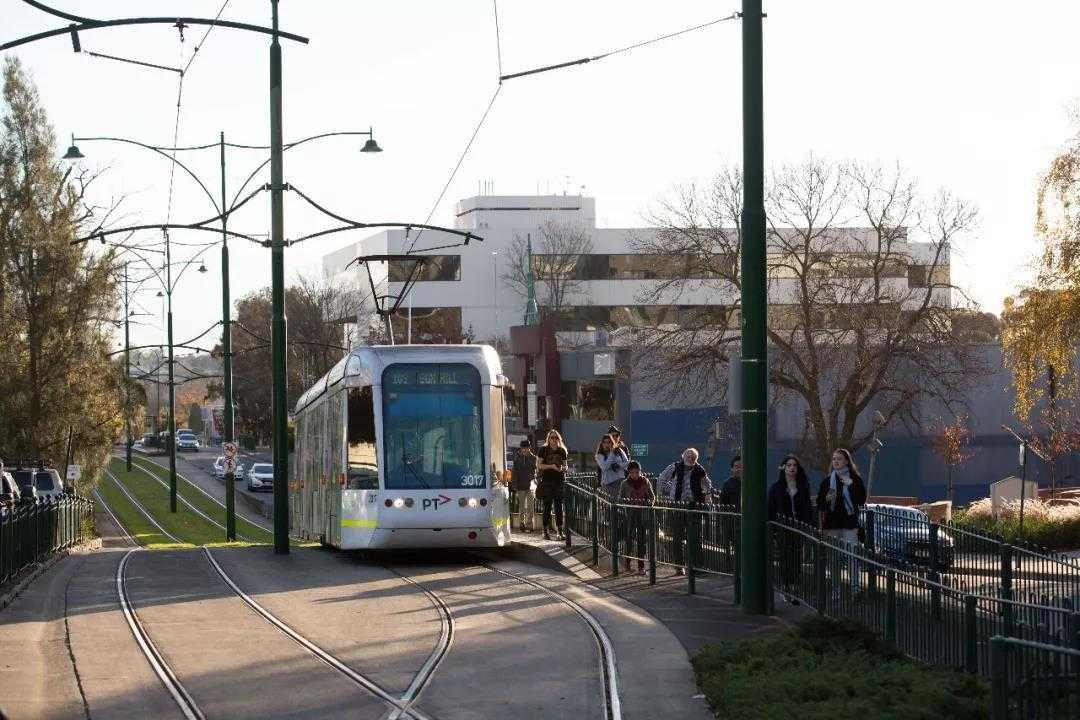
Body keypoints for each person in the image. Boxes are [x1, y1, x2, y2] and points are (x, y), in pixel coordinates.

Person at [816, 448, 867, 592]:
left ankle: (855, 588)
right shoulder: (828, 481)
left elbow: (861, 500)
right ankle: (836, 589)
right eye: (834, 459)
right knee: (834, 558)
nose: (836, 461)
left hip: (850, 524)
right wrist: (827, 499)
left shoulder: (854, 479)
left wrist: (851, 485)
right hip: (832, 525)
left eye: (839, 459)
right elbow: (820, 504)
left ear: (846, 461)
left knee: (852, 555)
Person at [657, 448, 712, 574]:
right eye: (688, 456)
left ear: (696, 459)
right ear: (683, 456)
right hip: (678, 506)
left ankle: (697, 566)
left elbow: (708, 484)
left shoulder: (700, 470)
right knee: (678, 537)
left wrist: (706, 494)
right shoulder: (675, 467)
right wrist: (670, 491)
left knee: (695, 537)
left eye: (693, 457)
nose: (690, 458)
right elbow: (661, 480)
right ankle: (679, 566)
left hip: (694, 506)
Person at [769, 454, 815, 602]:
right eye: (789, 465)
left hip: (798, 527)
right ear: (783, 468)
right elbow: (771, 509)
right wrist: (773, 529)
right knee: (785, 557)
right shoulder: (776, 488)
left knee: (796, 557)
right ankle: (786, 586)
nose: (792, 468)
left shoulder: (803, 486)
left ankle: (795, 586)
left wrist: (808, 525)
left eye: (794, 465)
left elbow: (808, 508)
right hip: (783, 527)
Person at [617, 461, 654, 575]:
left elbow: (652, 497)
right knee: (629, 538)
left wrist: (649, 503)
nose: (635, 474)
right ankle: (627, 563)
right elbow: (620, 498)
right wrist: (626, 503)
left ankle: (641, 566)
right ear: (629, 472)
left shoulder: (645, 481)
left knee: (641, 540)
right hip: (630, 514)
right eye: (632, 472)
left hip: (642, 514)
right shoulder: (625, 483)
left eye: (637, 472)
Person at [536, 430, 569, 540]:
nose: (554, 440)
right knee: (547, 506)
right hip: (547, 481)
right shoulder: (543, 450)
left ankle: (560, 531)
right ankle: (545, 531)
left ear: (559, 439)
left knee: (559, 507)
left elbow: (566, 465)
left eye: (556, 438)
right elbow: (539, 465)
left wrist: (563, 468)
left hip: (559, 481)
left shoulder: (562, 450)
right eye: (552, 438)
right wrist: (551, 466)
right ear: (548, 439)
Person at [510, 439, 537, 532]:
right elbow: (514, 472)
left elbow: (536, 470)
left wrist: (535, 479)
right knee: (521, 507)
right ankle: (522, 523)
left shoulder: (534, 458)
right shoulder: (517, 458)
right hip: (520, 485)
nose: (525, 449)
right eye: (523, 448)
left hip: (531, 485)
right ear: (521, 449)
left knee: (530, 507)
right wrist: (514, 484)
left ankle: (529, 525)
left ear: (529, 448)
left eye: (526, 448)